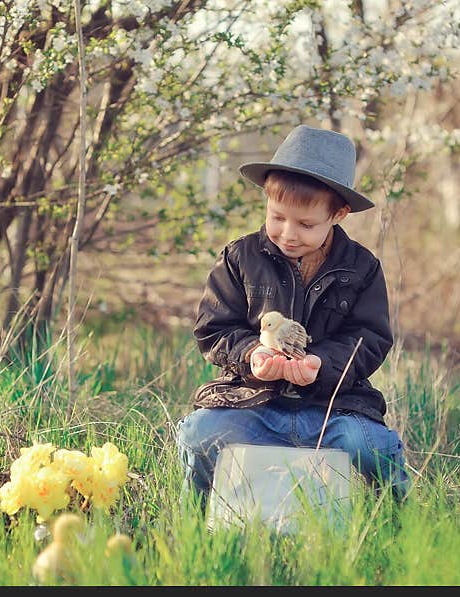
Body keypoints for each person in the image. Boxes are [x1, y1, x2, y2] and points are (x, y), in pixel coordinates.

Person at [176, 124, 412, 512]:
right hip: (252, 402)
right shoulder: (240, 258)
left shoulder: (362, 269)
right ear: (266, 202)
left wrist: (322, 364)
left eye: (305, 224)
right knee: (201, 435)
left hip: (332, 408)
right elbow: (213, 328)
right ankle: (195, 525)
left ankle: (395, 529)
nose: (287, 234)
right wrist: (252, 355)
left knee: (369, 447)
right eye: (277, 217)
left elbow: (369, 339)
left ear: (338, 214)